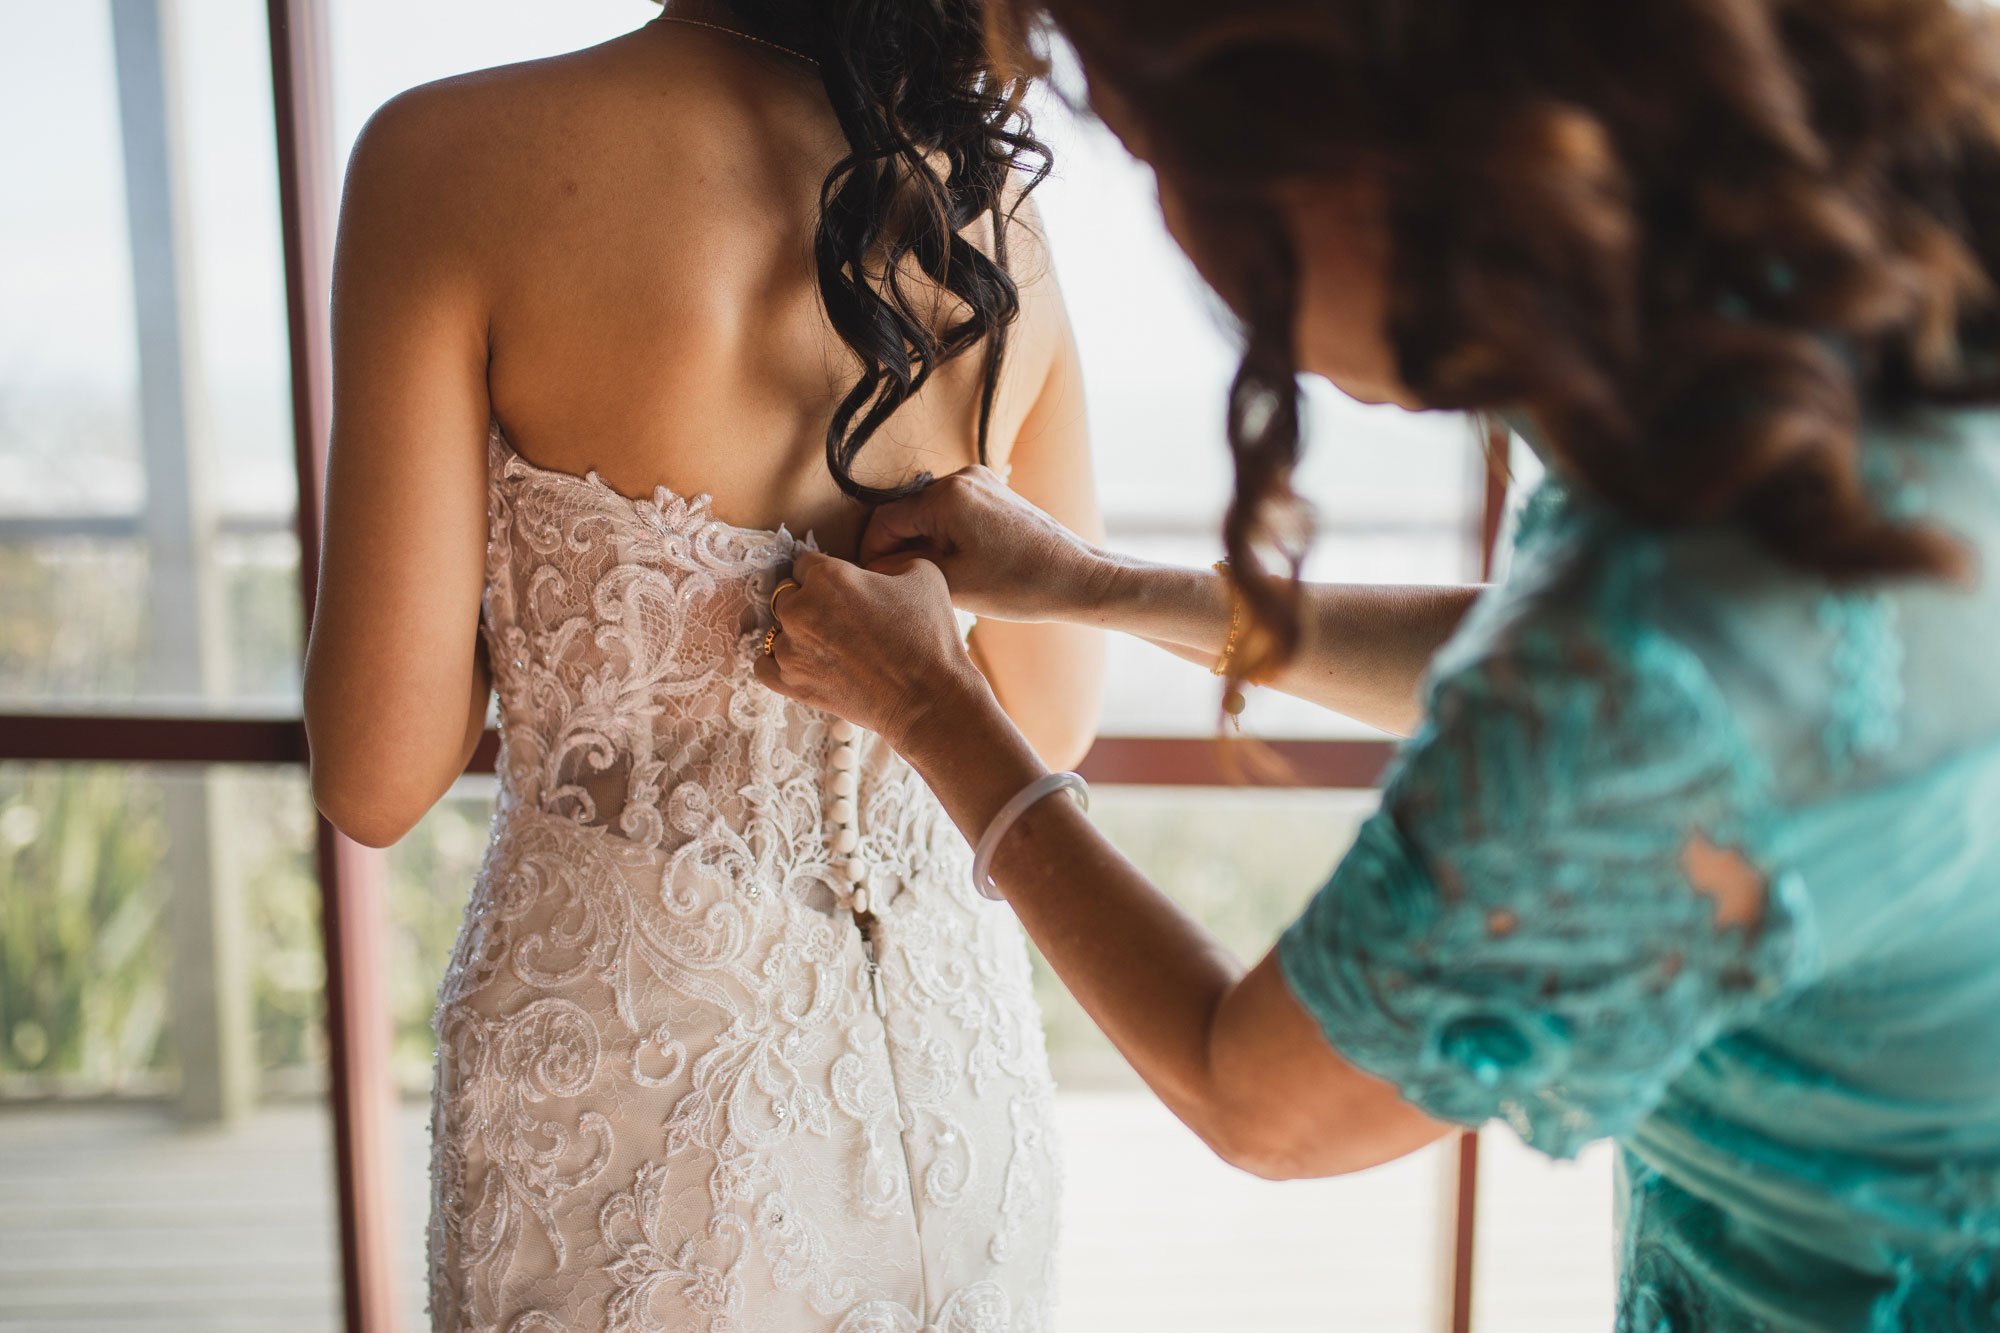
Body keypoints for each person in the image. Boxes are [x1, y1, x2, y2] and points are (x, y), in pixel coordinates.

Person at [755, 1, 2000, 1327]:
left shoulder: (1655, 668)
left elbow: (1259, 1095)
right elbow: (1527, 652)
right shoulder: (1828, 312)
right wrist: (1094, 583)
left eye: (1203, 186)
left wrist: (930, 704)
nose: (1210, 268)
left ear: (1376, 158)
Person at [300, 1, 1104, 1328]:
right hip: (943, 1085)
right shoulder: (993, 214)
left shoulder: (445, 159)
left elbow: (377, 775)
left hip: (609, 1090)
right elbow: (1052, 720)